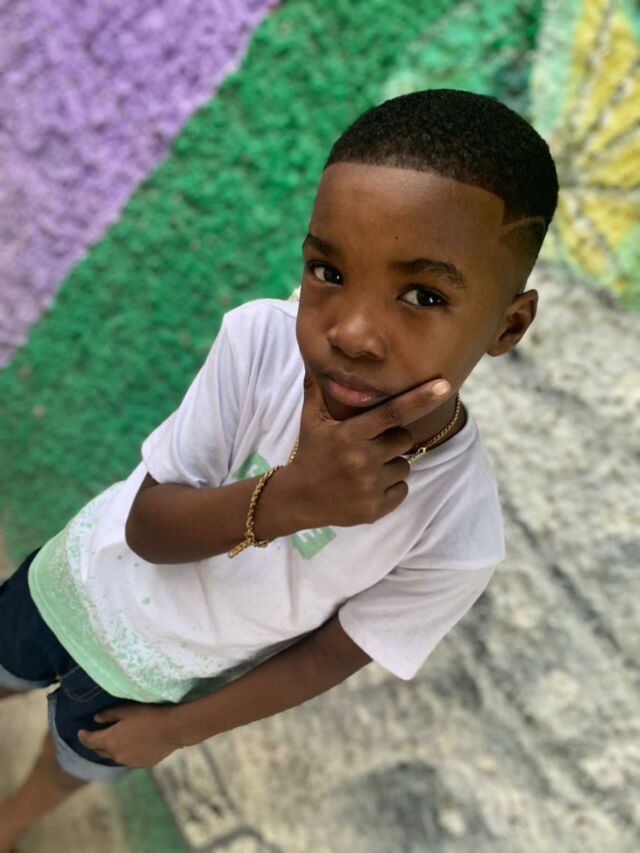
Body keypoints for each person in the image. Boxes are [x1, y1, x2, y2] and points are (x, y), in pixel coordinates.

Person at [0, 88, 558, 849]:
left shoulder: (459, 532)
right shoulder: (259, 344)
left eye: (423, 295)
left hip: (153, 681)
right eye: (328, 271)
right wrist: (290, 500)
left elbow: (326, 658)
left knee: (71, 764)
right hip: (77, 578)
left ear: (508, 325)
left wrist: (178, 730)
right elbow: (148, 530)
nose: (352, 332)